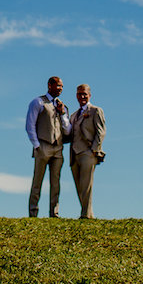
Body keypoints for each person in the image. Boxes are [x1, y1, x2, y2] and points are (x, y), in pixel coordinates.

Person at [25, 76, 70, 217]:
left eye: (62, 86)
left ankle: (54, 213)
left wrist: (62, 113)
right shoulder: (38, 102)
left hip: (58, 148)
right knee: (37, 181)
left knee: (55, 182)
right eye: (58, 86)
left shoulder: (63, 106)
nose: (60, 89)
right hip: (43, 145)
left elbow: (68, 130)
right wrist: (37, 145)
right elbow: (30, 125)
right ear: (50, 85)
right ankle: (33, 212)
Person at [68, 83, 106, 219]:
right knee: (79, 186)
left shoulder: (96, 111)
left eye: (84, 94)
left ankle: (85, 215)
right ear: (76, 96)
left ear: (89, 95)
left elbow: (101, 132)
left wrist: (94, 150)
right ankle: (89, 214)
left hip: (88, 152)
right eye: (79, 94)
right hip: (74, 154)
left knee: (86, 185)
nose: (82, 96)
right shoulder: (73, 115)